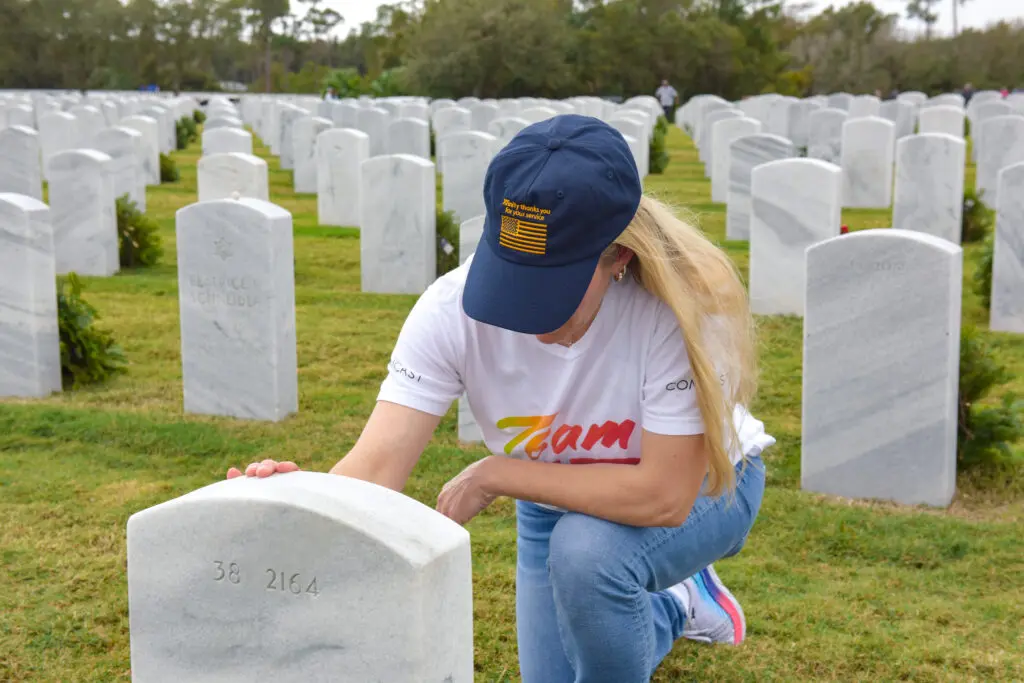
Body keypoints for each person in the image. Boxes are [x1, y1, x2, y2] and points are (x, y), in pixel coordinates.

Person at [228, 114, 774, 683]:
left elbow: (664, 496)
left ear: (619, 259)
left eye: (551, 289)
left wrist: (496, 473)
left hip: (707, 486)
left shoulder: (674, 313)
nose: (525, 317)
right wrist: (300, 507)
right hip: (553, 498)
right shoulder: (448, 309)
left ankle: (661, 580)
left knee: (588, 558)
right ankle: (680, 604)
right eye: (513, 278)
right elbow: (376, 466)